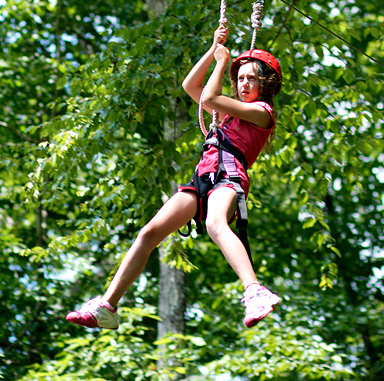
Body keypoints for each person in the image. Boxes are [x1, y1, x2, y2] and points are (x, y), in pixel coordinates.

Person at [66, 25, 282, 330]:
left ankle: (255, 291)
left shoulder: (262, 112)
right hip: (201, 180)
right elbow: (190, 86)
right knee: (149, 233)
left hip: (228, 177)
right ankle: (108, 306)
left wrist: (223, 63)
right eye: (240, 78)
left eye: (252, 79)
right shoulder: (229, 113)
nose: (244, 84)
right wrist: (213, 49)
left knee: (215, 223)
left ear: (266, 85)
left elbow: (208, 98)